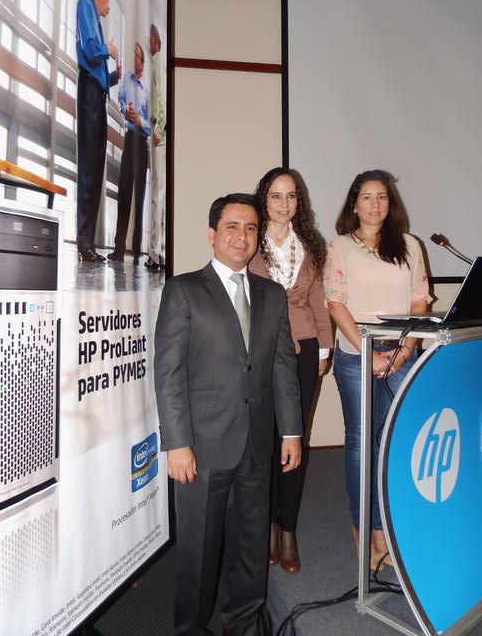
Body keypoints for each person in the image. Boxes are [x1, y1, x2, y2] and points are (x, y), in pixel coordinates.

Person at [154, 194, 303, 635]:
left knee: (251, 549)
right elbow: (168, 372)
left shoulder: (272, 295)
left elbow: (282, 367)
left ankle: (243, 624)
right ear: (212, 234)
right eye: (232, 226)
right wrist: (177, 442)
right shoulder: (184, 290)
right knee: (198, 555)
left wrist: (291, 431)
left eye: (251, 228)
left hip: (257, 445)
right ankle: (191, 629)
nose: (242, 236)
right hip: (201, 448)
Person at [323, 170, 431, 569]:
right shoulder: (341, 246)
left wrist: (405, 351)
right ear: (354, 204)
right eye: (367, 197)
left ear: (390, 203)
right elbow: (336, 303)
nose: (375, 204)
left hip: (402, 352)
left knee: (394, 440)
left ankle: (384, 526)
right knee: (361, 441)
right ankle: (362, 525)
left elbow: (419, 300)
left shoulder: (409, 245)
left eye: (381, 196)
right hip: (356, 355)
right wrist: (367, 353)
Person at [249, 167, 333, 573]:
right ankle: (266, 522)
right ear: (264, 199)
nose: (285, 204)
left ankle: (288, 528)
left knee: (294, 439)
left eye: (292, 195)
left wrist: (324, 350)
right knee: (264, 440)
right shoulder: (250, 240)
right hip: (261, 348)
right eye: (276, 195)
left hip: (304, 349)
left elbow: (319, 301)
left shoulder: (310, 245)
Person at [76, 0, 120, 262]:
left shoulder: (98, 21)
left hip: (99, 95)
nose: (109, 6)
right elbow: (90, 51)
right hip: (89, 94)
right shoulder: (85, 5)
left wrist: (114, 76)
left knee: (96, 170)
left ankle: (88, 243)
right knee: (89, 170)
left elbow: (100, 72)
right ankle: (84, 242)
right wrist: (109, 49)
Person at [108, 42, 150, 264]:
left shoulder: (147, 90)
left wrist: (140, 121)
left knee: (139, 198)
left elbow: (151, 126)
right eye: (133, 55)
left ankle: (136, 253)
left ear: (143, 62)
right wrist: (127, 111)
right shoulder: (126, 78)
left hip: (142, 142)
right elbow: (121, 100)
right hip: (129, 139)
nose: (134, 59)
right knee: (124, 194)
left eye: (137, 56)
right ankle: (118, 248)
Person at [144, 24, 166, 272]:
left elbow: (162, 100)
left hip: (160, 133)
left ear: (155, 40)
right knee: (162, 196)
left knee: (156, 197)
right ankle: (160, 252)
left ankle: (154, 254)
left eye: (150, 38)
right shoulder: (160, 64)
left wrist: (158, 131)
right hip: (162, 131)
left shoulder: (157, 63)